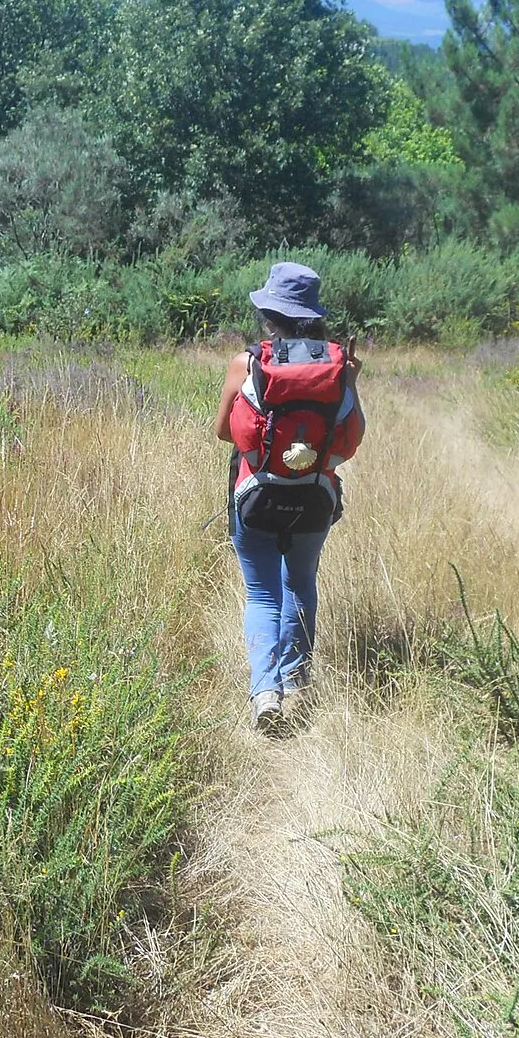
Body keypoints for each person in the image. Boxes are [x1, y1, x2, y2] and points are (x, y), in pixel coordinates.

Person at [214, 262, 364, 734]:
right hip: (315, 498)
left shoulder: (249, 362)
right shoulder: (340, 364)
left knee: (262, 593)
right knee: (300, 585)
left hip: (256, 497)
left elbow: (224, 433)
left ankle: (265, 693)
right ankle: (296, 683)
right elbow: (347, 442)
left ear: (269, 314)